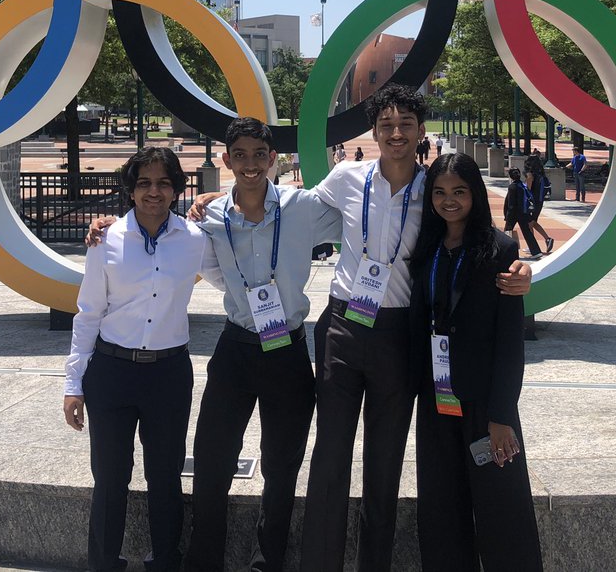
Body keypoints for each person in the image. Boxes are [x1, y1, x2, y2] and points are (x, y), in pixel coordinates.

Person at [299, 85, 533, 572]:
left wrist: (522, 270)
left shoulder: (433, 188)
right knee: (330, 457)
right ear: (373, 131)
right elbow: (294, 208)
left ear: (420, 131)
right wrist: (222, 199)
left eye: (405, 124)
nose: (395, 133)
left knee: (384, 464)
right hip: (342, 328)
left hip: (398, 337)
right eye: (386, 125)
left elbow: (473, 235)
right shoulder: (346, 177)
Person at [183, 118, 341, 572]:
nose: (250, 164)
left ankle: (266, 562)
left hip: (287, 350)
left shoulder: (302, 207)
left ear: (273, 159)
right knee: (212, 458)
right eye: (240, 155)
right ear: (226, 160)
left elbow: (362, 221)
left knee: (282, 464)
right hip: (235, 347)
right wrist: (105, 225)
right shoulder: (212, 216)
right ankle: (203, 561)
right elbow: (185, 249)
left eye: (259, 155)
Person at [63, 147, 209, 572]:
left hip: (169, 374)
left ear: (176, 189)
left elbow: (242, 213)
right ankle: (104, 563)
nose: (153, 192)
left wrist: (212, 198)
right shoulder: (106, 240)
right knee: (110, 477)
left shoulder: (195, 240)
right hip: (112, 373)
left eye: (163, 183)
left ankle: (165, 561)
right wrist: (73, 384)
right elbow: (88, 314)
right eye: (144, 183)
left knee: (165, 476)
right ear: (130, 190)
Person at [409, 152, 543, 571]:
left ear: (476, 195)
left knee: (502, 511)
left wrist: (501, 416)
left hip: (486, 405)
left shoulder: (500, 250)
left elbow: (510, 341)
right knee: (441, 509)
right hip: (437, 399)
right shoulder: (425, 247)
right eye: (440, 192)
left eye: (459, 192)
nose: (449, 201)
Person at [503, 167, 542, 259]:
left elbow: (511, 203)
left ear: (510, 176)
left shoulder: (512, 187)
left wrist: (507, 215)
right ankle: (536, 251)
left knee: (507, 232)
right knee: (527, 232)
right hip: (524, 213)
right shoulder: (522, 185)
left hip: (514, 213)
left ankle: (505, 252)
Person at [525, 168, 555, 254]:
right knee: (533, 222)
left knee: (530, 223)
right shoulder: (540, 175)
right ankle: (547, 239)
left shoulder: (530, 174)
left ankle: (532, 245)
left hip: (533, 202)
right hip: (539, 202)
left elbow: (528, 188)